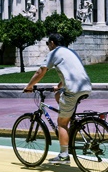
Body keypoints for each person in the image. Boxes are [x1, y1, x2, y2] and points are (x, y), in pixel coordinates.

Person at [23, 33, 92, 165]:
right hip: (85, 86)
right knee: (57, 95)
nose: (48, 46)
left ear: (52, 43)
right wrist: (59, 86)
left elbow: (40, 72)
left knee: (61, 123)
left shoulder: (54, 53)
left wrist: (29, 86)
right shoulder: (71, 52)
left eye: (48, 44)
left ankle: (64, 155)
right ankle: (67, 116)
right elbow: (71, 72)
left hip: (73, 90)